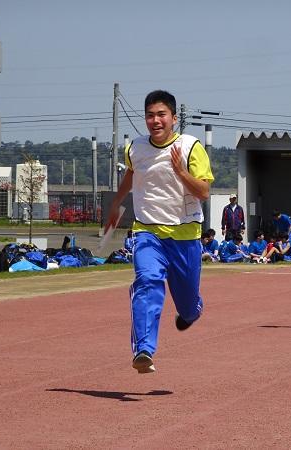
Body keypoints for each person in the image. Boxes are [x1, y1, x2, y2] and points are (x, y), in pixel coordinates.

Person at [105, 90, 214, 374]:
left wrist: (180, 171)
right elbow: (131, 174)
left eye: (161, 115)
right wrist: (116, 204)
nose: (156, 121)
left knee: (188, 307)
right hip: (147, 232)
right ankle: (144, 349)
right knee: (147, 280)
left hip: (185, 237)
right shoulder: (136, 149)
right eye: (150, 115)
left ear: (174, 119)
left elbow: (203, 191)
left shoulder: (190, 147)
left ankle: (193, 310)